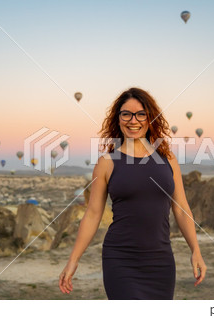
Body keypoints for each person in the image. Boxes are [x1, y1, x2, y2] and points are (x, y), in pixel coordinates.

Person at [58, 87, 206, 299]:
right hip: (120, 260)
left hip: (161, 260)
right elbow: (92, 214)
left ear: (150, 118)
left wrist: (196, 250)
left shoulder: (168, 160)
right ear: (118, 119)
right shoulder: (107, 163)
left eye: (141, 114)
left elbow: (181, 209)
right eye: (126, 114)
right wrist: (73, 260)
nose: (133, 120)